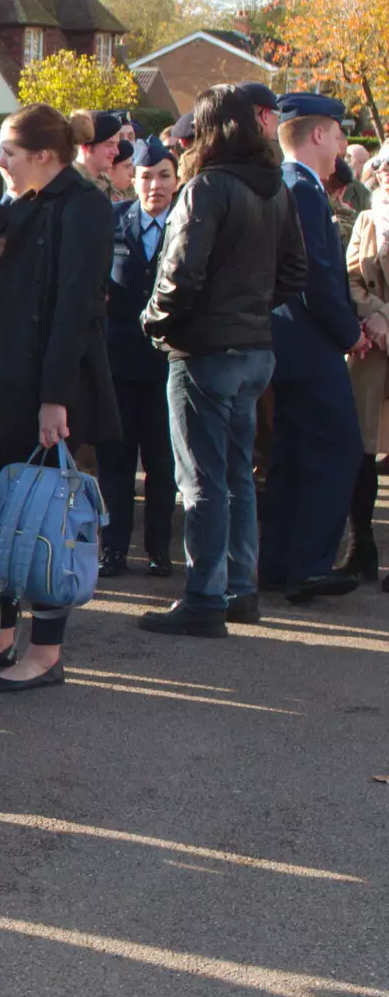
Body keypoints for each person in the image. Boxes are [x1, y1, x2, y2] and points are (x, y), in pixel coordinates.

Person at [140, 85, 308, 635]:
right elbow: (294, 273)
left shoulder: (207, 188)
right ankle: (239, 589)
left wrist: (156, 324)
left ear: (208, 131)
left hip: (206, 351)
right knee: (236, 473)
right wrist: (251, 312)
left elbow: (181, 273)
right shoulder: (275, 190)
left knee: (203, 480)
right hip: (254, 350)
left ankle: (205, 598)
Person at [0, 104, 119, 690]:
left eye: (10, 152)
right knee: (1, 516)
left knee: (47, 516)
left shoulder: (85, 207)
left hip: (50, 388)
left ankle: (46, 651)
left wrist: (55, 398)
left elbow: (75, 307)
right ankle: (1, 633)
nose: (0, 161)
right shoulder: (18, 203)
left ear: (45, 157)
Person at [258, 93, 364, 602]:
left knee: (294, 455)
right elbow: (318, 275)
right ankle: (308, 566)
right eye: (340, 133)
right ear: (318, 135)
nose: (344, 143)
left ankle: (281, 563)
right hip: (309, 342)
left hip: (293, 343)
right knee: (336, 449)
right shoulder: (300, 188)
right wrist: (350, 332)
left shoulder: (295, 185)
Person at [99, 135, 177, 578]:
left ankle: (159, 548)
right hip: (119, 363)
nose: (155, 186)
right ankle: (114, 548)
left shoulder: (188, 222)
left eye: (164, 176)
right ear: (134, 179)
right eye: (146, 177)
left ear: (176, 178)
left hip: (168, 363)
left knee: (162, 462)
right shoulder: (114, 220)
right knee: (116, 460)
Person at [340, 183, 389, 584]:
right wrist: (376, 317)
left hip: (379, 333)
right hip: (370, 349)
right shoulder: (368, 219)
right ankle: (361, 546)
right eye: (385, 166)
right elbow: (351, 278)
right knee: (361, 448)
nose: (388, 174)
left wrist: (384, 319)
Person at [72, 110, 124, 195]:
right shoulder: (73, 188)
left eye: (116, 144)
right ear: (87, 147)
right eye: (109, 145)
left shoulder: (104, 182)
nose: (117, 152)